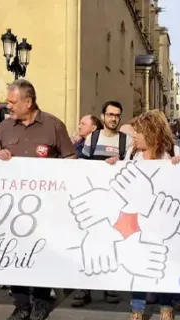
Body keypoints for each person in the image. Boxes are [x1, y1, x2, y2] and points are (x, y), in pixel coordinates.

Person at [0, 79, 74, 320]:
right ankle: (20, 305)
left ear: (28, 101)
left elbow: (70, 157)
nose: (8, 106)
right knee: (14, 252)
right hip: (12, 206)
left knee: (41, 251)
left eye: (12, 101)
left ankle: (40, 300)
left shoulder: (53, 125)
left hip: (46, 205)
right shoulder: (5, 128)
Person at [107, 110, 180, 320]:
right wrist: (114, 164)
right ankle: (136, 313)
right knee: (138, 267)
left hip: (162, 221)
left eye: (138, 133)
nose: (134, 138)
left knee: (163, 267)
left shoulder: (171, 152)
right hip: (137, 220)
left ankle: (166, 309)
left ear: (151, 133)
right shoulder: (133, 155)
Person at [72, 101, 131, 308]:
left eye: (117, 115)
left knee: (112, 242)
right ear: (103, 116)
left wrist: (120, 164)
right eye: (110, 114)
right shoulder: (93, 138)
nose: (114, 118)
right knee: (88, 241)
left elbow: (132, 166)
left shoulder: (126, 140)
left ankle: (110, 286)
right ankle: (84, 287)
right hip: (93, 197)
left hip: (116, 200)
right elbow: (82, 164)